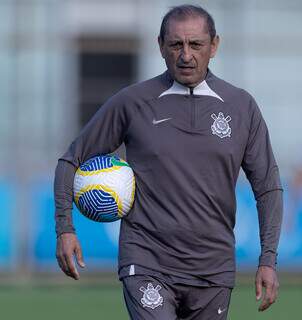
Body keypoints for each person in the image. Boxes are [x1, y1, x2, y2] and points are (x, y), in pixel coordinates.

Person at [55, 5, 283, 320]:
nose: (185, 55)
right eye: (176, 45)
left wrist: (268, 260)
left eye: (196, 45)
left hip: (213, 269)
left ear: (214, 46)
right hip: (147, 260)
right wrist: (65, 229)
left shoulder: (241, 107)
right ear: (161, 46)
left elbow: (268, 188)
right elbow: (71, 160)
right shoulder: (132, 102)